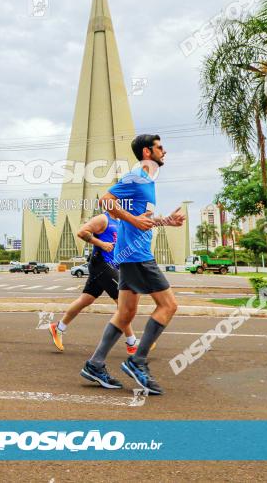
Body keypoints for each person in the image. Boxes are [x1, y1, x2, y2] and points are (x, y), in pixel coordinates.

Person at [80, 134, 184, 395]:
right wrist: (134, 220)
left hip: (131, 254)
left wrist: (166, 221)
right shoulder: (137, 175)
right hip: (137, 255)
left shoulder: (147, 181)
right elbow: (105, 201)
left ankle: (95, 364)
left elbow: (142, 218)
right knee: (169, 305)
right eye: (160, 147)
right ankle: (137, 361)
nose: (165, 151)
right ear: (147, 152)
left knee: (125, 313)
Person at [48, 211, 140, 355]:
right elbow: (82, 232)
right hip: (102, 264)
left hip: (110, 266)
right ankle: (132, 343)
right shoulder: (104, 219)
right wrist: (101, 244)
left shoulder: (120, 221)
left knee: (86, 299)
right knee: (123, 303)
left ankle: (58, 327)